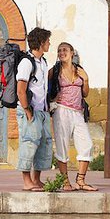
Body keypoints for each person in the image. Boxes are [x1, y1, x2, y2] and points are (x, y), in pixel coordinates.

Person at [49, 42, 97, 191]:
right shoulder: (54, 71)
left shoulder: (79, 70)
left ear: (72, 53)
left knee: (87, 144)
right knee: (62, 146)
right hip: (61, 111)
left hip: (77, 112)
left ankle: (81, 180)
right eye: (59, 50)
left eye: (65, 50)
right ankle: (65, 182)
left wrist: (86, 80)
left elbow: (85, 93)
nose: (61, 52)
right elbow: (46, 88)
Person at [16, 27, 52, 191]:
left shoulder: (43, 62)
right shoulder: (26, 62)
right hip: (30, 111)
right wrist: (27, 111)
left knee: (43, 145)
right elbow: (20, 90)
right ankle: (26, 181)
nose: (49, 43)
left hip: (42, 111)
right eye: (47, 41)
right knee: (29, 144)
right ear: (41, 42)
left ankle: (36, 179)